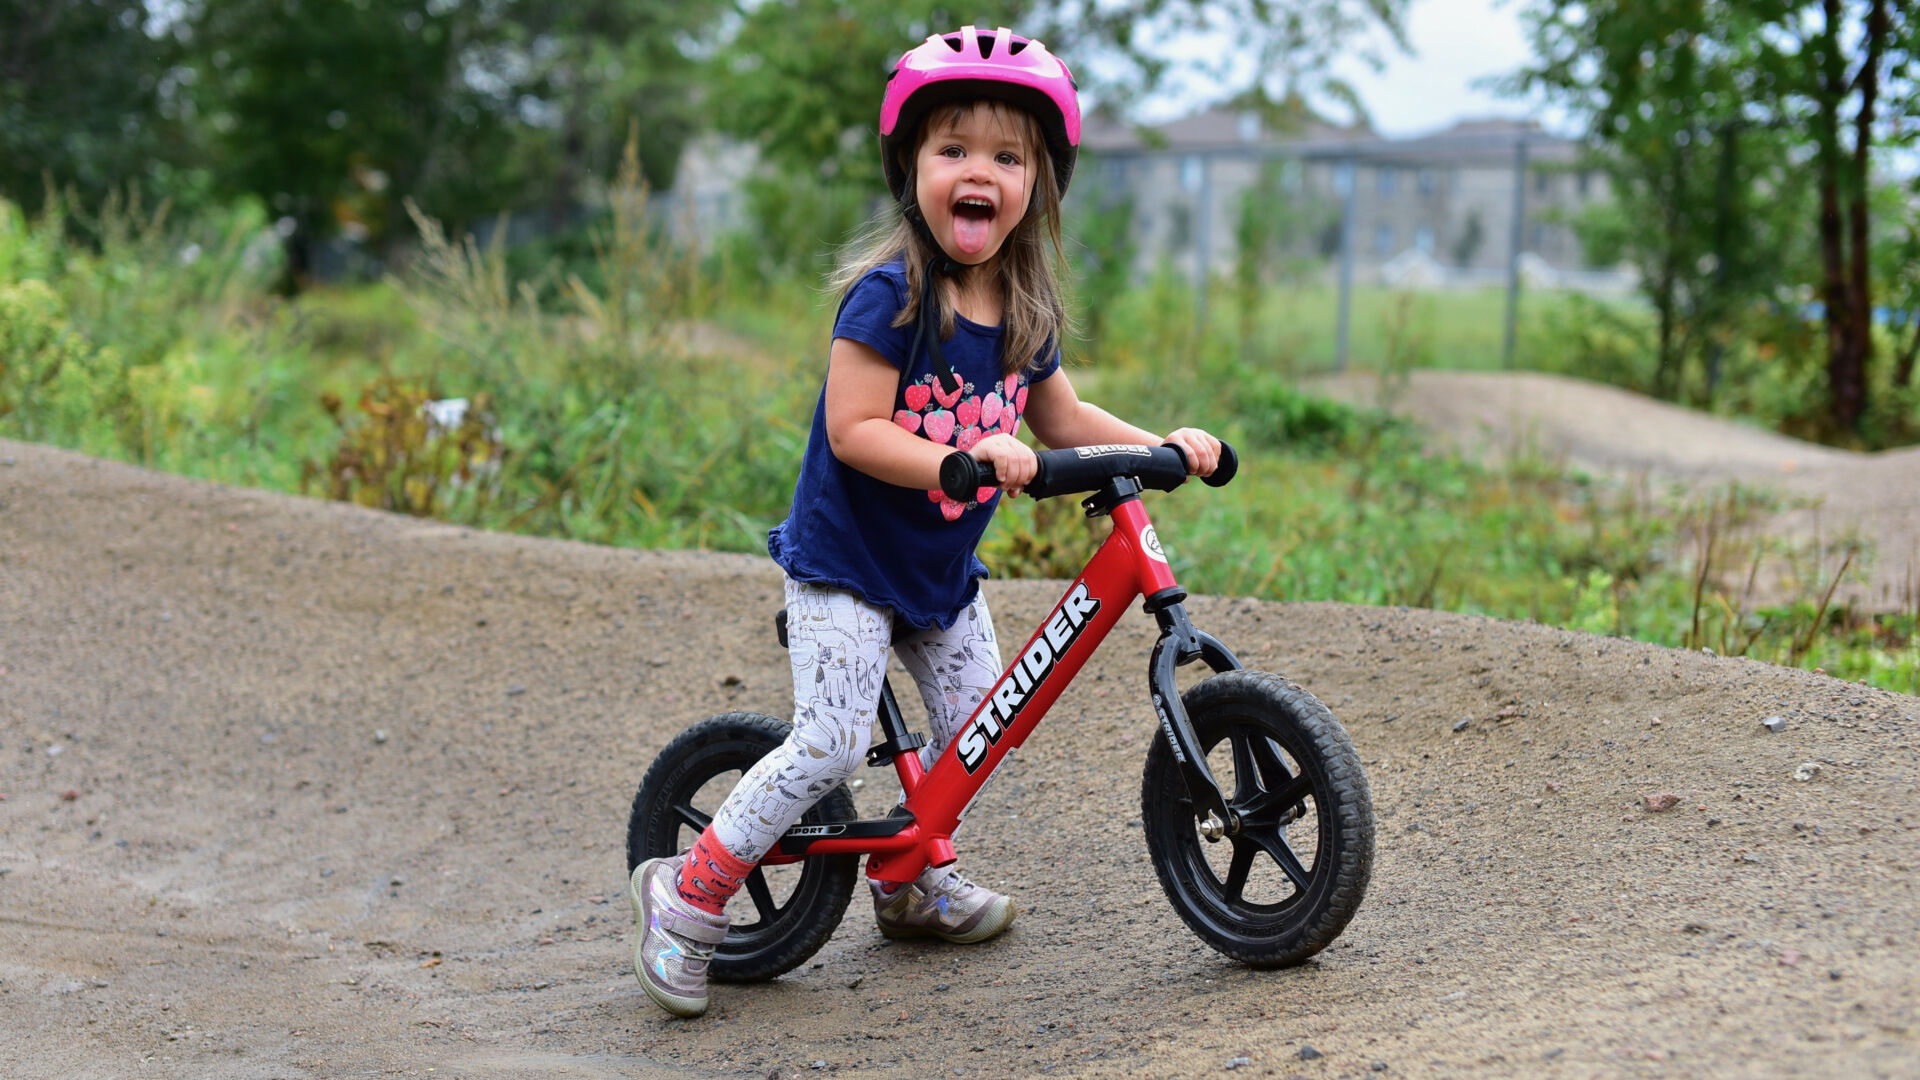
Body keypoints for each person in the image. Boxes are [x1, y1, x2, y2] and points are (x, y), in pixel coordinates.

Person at [629, 25, 1222, 1018]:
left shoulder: (1024, 307)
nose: (977, 171)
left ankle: (907, 883)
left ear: (1039, 183)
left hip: (940, 572)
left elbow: (1064, 419)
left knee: (976, 734)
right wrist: (958, 457)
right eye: (953, 151)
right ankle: (686, 895)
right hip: (849, 563)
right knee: (827, 744)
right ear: (913, 170)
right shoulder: (890, 297)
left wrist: (1165, 443)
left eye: (1005, 155)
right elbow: (854, 429)